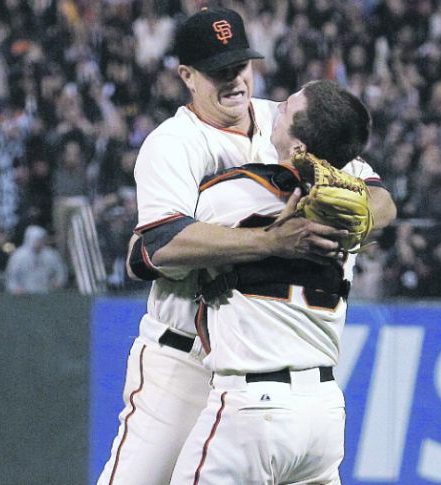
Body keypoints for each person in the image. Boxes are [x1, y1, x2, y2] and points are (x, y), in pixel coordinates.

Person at [96, 8, 392, 485]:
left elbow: (380, 199)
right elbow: (156, 248)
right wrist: (272, 241)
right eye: (219, 71)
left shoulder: (288, 122)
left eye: (241, 64)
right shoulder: (173, 143)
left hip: (256, 368)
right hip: (183, 359)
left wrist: (344, 226)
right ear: (187, 76)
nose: (235, 78)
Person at [169, 80, 395, 484]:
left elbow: (152, 249)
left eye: (287, 109)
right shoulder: (354, 206)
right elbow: (383, 202)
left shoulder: (232, 192)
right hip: (322, 413)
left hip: (253, 408)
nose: (275, 109)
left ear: (299, 149)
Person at [4, 225, 67, 294]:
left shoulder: (51, 255)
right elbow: (11, 276)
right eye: (37, 240)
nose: (39, 243)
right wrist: (15, 288)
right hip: (25, 296)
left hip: (47, 293)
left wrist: (58, 282)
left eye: (41, 240)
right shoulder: (18, 256)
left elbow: (60, 271)